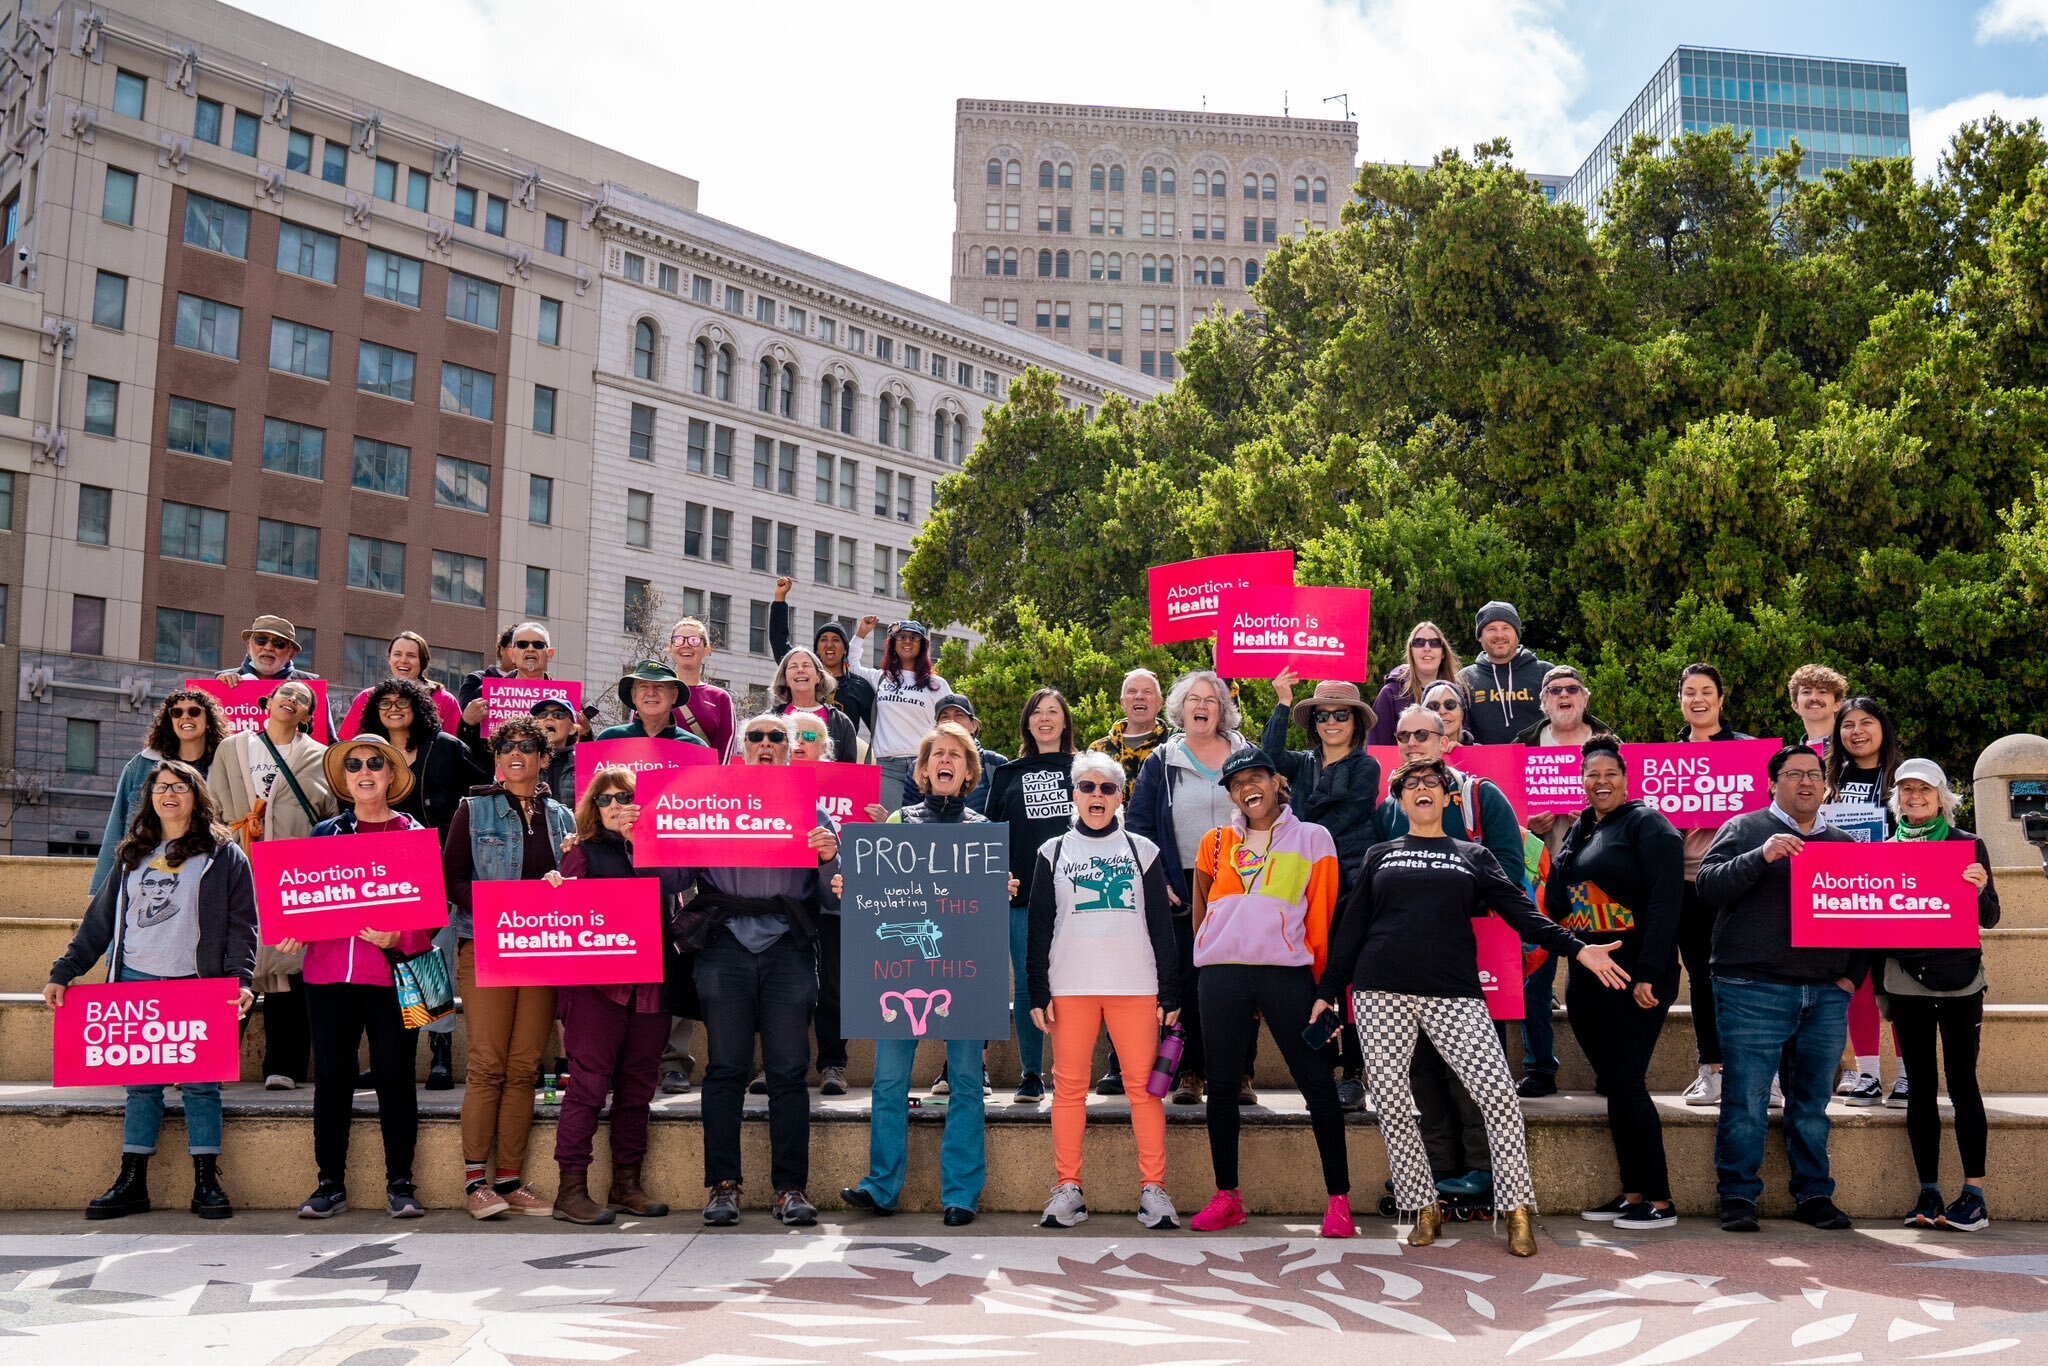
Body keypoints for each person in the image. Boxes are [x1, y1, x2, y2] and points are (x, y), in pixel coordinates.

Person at [1315, 755, 1631, 1257]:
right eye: (1410, 784)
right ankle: (1424, 1206)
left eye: (1431, 783)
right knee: (1394, 1104)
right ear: (1399, 801)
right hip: (1379, 992)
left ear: (1447, 797)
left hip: (1455, 993)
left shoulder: (1472, 854)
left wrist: (1578, 949)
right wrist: (1327, 990)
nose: (1421, 789)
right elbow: (1352, 927)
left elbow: (1522, 914)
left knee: (1499, 1097)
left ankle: (1518, 1209)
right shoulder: (1380, 853)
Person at [46, 758, 257, 1220]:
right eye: (161, 787)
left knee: (203, 1087)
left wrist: (241, 981)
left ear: (196, 796)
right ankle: (132, 1181)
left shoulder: (224, 854)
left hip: (196, 985)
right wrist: (65, 971)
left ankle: (207, 1182)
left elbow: (244, 925)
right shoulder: (132, 854)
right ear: (150, 797)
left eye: (180, 787)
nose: (170, 795)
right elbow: (99, 922)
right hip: (136, 982)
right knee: (142, 1088)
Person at [1185, 750, 1353, 1237]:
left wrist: (1325, 988)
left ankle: (1338, 1201)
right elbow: (1201, 911)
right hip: (1222, 974)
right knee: (1220, 1086)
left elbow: (1321, 916)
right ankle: (1227, 1197)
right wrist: (1208, 953)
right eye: (1235, 783)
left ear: (1278, 782)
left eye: (1255, 776)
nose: (1246, 788)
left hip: (1286, 972)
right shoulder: (1214, 842)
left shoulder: (1313, 837)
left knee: (1316, 1085)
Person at [1697, 744, 1861, 1234]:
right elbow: (1708, 887)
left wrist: (1852, 976)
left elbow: (1865, 914)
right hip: (1752, 988)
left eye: (1814, 774)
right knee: (1745, 1101)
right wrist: (1761, 856)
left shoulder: (1843, 843)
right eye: (1794, 774)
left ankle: (1813, 1194)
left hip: (1825, 993)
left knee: (1811, 1105)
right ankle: (1738, 1197)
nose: (1806, 782)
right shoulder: (1745, 829)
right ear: (1773, 783)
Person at [688, 713, 841, 1228]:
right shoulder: (710, 802)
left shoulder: (814, 810)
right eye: (756, 737)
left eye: (779, 738)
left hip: (788, 949)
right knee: (726, 1068)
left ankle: (791, 1188)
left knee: (790, 1072)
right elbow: (669, 874)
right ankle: (723, 1186)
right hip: (724, 946)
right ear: (741, 748)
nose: (767, 744)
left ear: (793, 749)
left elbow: (832, 898)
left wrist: (828, 860)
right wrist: (646, 831)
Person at [845, 722, 993, 1223]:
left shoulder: (983, 832)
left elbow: (986, 907)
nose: (946, 761)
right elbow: (873, 901)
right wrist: (853, 888)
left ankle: (961, 1195)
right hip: (901, 973)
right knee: (889, 1081)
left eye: (956, 754)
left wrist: (1004, 889)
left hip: (967, 973)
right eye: (937, 755)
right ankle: (881, 1186)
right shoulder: (898, 824)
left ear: (968, 770)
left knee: (968, 1083)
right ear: (924, 769)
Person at [1375, 703, 1524, 1201]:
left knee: (1473, 1072)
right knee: (1420, 1071)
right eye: (1403, 735)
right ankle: (1436, 1167)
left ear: (1446, 742)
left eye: (1423, 734)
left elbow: (1507, 871)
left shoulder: (1484, 797)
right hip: (1407, 959)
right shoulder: (1390, 808)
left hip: (1474, 950)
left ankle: (1483, 1170)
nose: (1413, 743)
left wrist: (1443, 897)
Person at [1031, 750, 1182, 1231]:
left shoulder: (1143, 850)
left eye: (1107, 788)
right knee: (1069, 1089)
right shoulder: (1052, 851)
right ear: (1073, 793)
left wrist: (1170, 991)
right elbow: (1038, 927)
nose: (1097, 796)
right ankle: (1068, 1187)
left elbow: (1162, 925)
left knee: (1144, 1090)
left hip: (1135, 986)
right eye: (1088, 787)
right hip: (1070, 985)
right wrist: (1037, 989)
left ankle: (1153, 1189)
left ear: (1121, 796)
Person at [290, 735, 436, 1219]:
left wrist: (400, 937)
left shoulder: (413, 831)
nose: (365, 770)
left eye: (376, 763)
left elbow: (430, 911)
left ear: (392, 775)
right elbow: (302, 898)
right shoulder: (325, 834)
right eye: (354, 765)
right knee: (332, 1078)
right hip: (328, 975)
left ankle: (401, 1183)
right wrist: (294, 930)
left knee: (396, 1078)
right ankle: (328, 1184)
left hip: (393, 976)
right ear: (345, 777)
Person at [1548, 738, 1685, 1229]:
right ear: (1581, 782)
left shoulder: (1648, 824)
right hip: (1588, 974)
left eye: (1609, 773)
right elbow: (1559, 902)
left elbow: (1669, 902)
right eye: (1591, 775)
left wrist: (1650, 972)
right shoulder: (1584, 828)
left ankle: (1661, 1201)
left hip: (1634, 975)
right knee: (1615, 1087)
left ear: (1627, 780)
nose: (1600, 781)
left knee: (1628, 1083)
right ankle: (1632, 1193)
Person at [442, 716, 576, 1219]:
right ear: (496, 761)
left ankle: (511, 1179)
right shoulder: (473, 810)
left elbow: (577, 881)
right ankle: (476, 1181)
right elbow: (451, 878)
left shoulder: (563, 817)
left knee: (525, 1067)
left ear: (545, 758)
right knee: (487, 1065)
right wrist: (497, 906)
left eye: (526, 747)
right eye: (505, 748)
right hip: (487, 944)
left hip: (541, 949)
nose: (515, 754)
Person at [549, 766, 690, 1224]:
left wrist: (639, 841)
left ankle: (626, 1184)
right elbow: (564, 914)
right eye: (605, 799)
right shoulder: (582, 853)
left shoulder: (664, 853)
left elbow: (673, 886)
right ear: (593, 807)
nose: (615, 806)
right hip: (597, 989)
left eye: (624, 797)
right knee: (587, 1089)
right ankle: (570, 1190)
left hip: (651, 985)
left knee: (637, 1090)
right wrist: (555, 890)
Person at [1126, 669, 1253, 1106]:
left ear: (1223, 711)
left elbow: (1270, 813)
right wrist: (1158, 879)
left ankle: (1239, 1075)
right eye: (1194, 699)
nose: (1202, 706)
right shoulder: (1161, 762)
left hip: (1241, 884)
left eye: (1211, 700)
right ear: (1181, 708)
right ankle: (1190, 1073)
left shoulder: (1245, 756)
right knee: (1187, 981)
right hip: (1183, 885)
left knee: (1240, 982)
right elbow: (1139, 826)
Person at [1882, 760, 1999, 1232]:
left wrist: (1981, 889)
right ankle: (1927, 1190)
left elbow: (1990, 918)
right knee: (1920, 1087)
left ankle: (1975, 1194)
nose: (1915, 797)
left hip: (1960, 980)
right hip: (1905, 979)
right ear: (1898, 799)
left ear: (1941, 798)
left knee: (1963, 1081)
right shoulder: (1883, 850)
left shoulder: (1968, 846)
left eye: (1924, 791)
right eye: (1906, 790)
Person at [1264, 671, 1383, 1110]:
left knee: (1344, 975)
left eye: (1341, 714)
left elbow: (1352, 812)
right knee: (1313, 973)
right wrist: (1281, 703)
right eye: (1323, 715)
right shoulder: (1303, 764)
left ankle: (1354, 1072)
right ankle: (1326, 1066)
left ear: (1356, 722)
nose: (1332, 722)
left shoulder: (1365, 766)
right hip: (1304, 880)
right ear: (1313, 722)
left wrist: (1302, 830)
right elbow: (1267, 758)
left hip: (1350, 880)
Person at [209, 680, 334, 1092]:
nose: (291, 698)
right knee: (234, 958)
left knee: (289, 962)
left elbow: (329, 813)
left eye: (302, 698)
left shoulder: (320, 757)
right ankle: (212, 1059)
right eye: (286, 693)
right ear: (268, 701)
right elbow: (213, 802)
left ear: (308, 715)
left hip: (295, 871)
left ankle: (284, 1065)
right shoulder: (233, 747)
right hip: (240, 864)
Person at [1514, 664, 1616, 1099]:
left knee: (1599, 980)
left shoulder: (1612, 747)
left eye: (1572, 688)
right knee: (1535, 979)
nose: (1563, 695)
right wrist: (1527, 822)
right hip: (1536, 883)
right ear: (1542, 701)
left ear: (1586, 697)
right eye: (1554, 690)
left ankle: (1611, 1068)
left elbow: (1635, 805)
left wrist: (1597, 817)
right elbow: (1500, 815)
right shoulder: (1521, 747)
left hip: (1594, 885)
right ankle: (1540, 1067)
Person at [986, 688, 1078, 1103]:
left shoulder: (1084, 768)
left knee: (1077, 985)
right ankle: (1031, 1074)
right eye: (1037, 712)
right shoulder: (1007, 774)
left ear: (1065, 721)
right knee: (1026, 985)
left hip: (1079, 894)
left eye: (1053, 711)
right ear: (1027, 721)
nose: (1045, 718)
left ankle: (1071, 1071)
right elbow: (990, 837)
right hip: (1021, 894)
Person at [1673, 664, 1754, 1108]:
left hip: (1741, 879)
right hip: (1687, 882)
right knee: (1702, 976)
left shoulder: (1747, 751)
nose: (1698, 699)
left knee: (1748, 974)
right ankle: (1712, 1070)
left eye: (1707, 691)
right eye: (1689, 692)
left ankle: (1762, 1073)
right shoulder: (1664, 755)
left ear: (1721, 699)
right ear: (1680, 700)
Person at [1824, 696, 1905, 1105]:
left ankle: (1907, 1076)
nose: (1857, 731)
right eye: (1847, 724)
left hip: (1900, 893)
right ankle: (1868, 1075)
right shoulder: (1828, 782)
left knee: (1902, 985)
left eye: (1866, 722)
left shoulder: (1903, 776)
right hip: (1848, 895)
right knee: (1859, 982)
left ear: (1883, 727)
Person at [93, 689, 230, 897]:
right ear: (169, 721)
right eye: (177, 713)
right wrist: (102, 891)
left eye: (194, 711)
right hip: (150, 868)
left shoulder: (227, 765)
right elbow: (117, 825)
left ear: (209, 720)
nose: (185, 717)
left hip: (207, 869)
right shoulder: (141, 765)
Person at [849, 618, 952, 812]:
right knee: (890, 825)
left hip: (924, 764)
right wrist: (861, 634)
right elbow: (852, 666)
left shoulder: (937, 684)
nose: (907, 641)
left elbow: (949, 724)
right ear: (893, 644)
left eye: (914, 637)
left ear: (922, 646)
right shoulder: (880, 677)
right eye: (902, 637)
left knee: (923, 826)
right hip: (888, 766)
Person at [770, 576, 876, 740]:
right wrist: (779, 598)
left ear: (845, 651)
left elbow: (878, 728)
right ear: (816, 650)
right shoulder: (802, 674)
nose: (829, 645)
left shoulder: (859, 686)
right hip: (799, 752)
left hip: (841, 759)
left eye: (836, 640)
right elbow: (779, 640)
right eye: (823, 640)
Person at [215, 613, 336, 735]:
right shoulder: (223, 680)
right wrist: (219, 690)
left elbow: (328, 740)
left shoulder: (310, 686)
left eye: (278, 643)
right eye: (261, 640)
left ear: (291, 653)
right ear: (248, 645)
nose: (268, 647)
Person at [1457, 601, 1555, 746]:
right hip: (1482, 764)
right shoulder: (1464, 678)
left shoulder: (1546, 673)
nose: (1499, 635)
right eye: (1491, 629)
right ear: (1479, 636)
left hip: (1537, 764)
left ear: (1517, 633)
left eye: (1506, 628)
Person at [459, 622, 556, 761]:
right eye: (522, 644)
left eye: (538, 645)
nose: (530, 649)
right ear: (512, 654)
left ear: (549, 654)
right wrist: (466, 723)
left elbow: (574, 752)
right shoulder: (486, 694)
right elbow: (467, 751)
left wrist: (585, 733)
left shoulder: (563, 699)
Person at [338, 631, 462, 738]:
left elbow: (454, 747)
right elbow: (347, 742)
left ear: (423, 662)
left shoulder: (445, 700)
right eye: (397, 654)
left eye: (411, 655)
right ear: (389, 659)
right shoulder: (367, 697)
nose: (403, 660)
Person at [1369, 622, 1463, 746]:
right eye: (1419, 642)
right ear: (1411, 652)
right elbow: (1378, 747)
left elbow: (1467, 737)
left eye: (1434, 643)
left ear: (1443, 653)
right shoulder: (1390, 694)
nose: (1427, 648)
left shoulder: (1458, 692)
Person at [662, 615, 738, 759]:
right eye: (678, 640)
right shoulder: (653, 692)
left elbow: (727, 750)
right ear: (670, 648)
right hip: (662, 778)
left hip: (705, 779)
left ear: (707, 650)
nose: (686, 645)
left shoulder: (720, 698)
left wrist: (716, 780)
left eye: (694, 640)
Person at [772, 646, 858, 764]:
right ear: (785, 679)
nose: (800, 670)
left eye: (806, 665)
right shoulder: (771, 718)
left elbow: (848, 771)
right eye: (793, 666)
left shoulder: (841, 722)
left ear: (818, 677)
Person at [598, 659, 713, 747]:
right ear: (633, 695)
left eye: (659, 686)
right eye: (643, 686)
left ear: (674, 695)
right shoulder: (609, 739)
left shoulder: (695, 747)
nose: (651, 693)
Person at [1089, 668, 1171, 788]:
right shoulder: (1098, 750)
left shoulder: (1174, 743)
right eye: (1132, 691)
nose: (1139, 696)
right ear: (1123, 703)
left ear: (1160, 703)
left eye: (1147, 692)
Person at [1787, 663, 1849, 757]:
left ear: (1837, 704)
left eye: (1822, 692)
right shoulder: (1790, 759)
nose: (1814, 698)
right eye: (1806, 692)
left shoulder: (1851, 748)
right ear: (1796, 706)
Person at [1421, 679, 1477, 747]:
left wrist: (1465, 753)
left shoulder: (1482, 753)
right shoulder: (1411, 752)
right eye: (1433, 706)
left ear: (1462, 713)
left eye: (1450, 704)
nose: (1442, 711)